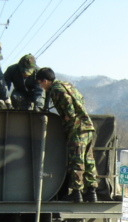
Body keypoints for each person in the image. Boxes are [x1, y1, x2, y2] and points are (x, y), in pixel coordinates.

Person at [36, 67, 98, 203]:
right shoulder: (67, 85)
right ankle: (91, 192)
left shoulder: (56, 89)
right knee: (89, 160)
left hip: (77, 128)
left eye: (40, 83)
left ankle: (77, 193)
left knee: (77, 160)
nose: (41, 86)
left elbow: (67, 103)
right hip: (87, 126)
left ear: (45, 81)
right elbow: (81, 99)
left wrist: (68, 116)